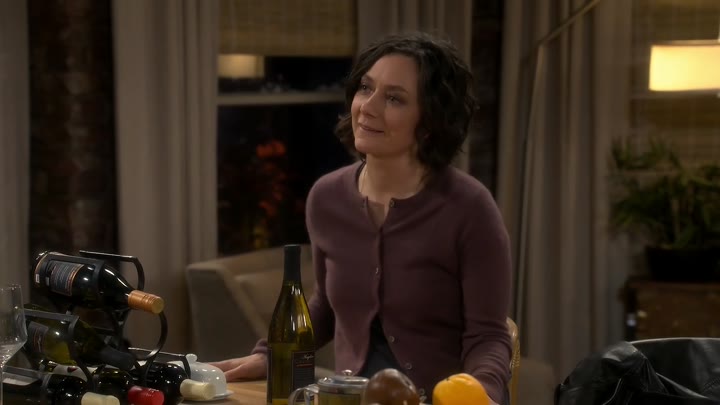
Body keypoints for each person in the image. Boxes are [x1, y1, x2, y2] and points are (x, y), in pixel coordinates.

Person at [210, 31, 512, 405]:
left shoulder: (469, 208)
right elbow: (325, 306)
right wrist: (268, 356)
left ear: (430, 121)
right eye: (365, 88)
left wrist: (481, 393)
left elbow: (488, 336)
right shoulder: (327, 198)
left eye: (394, 98)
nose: (367, 107)